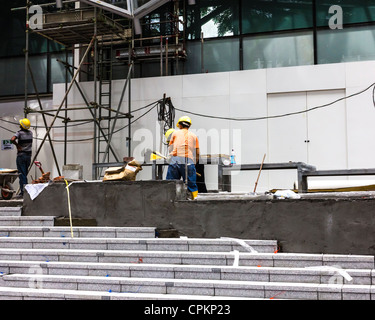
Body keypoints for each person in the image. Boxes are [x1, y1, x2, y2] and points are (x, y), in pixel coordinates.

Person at [166, 116, 200, 200]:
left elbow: (170, 148)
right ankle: (194, 201)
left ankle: (170, 201)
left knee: (171, 183)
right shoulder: (194, 136)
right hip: (188, 160)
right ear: (189, 125)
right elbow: (197, 152)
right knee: (191, 184)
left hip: (175, 160)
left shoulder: (175, 133)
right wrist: (194, 163)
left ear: (180, 125)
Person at [11, 118, 33, 198]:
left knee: (22, 174)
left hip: (21, 156)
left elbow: (12, 139)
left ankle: (24, 192)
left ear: (22, 125)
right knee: (24, 174)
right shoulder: (30, 133)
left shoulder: (19, 133)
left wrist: (18, 146)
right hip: (28, 156)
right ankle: (24, 191)